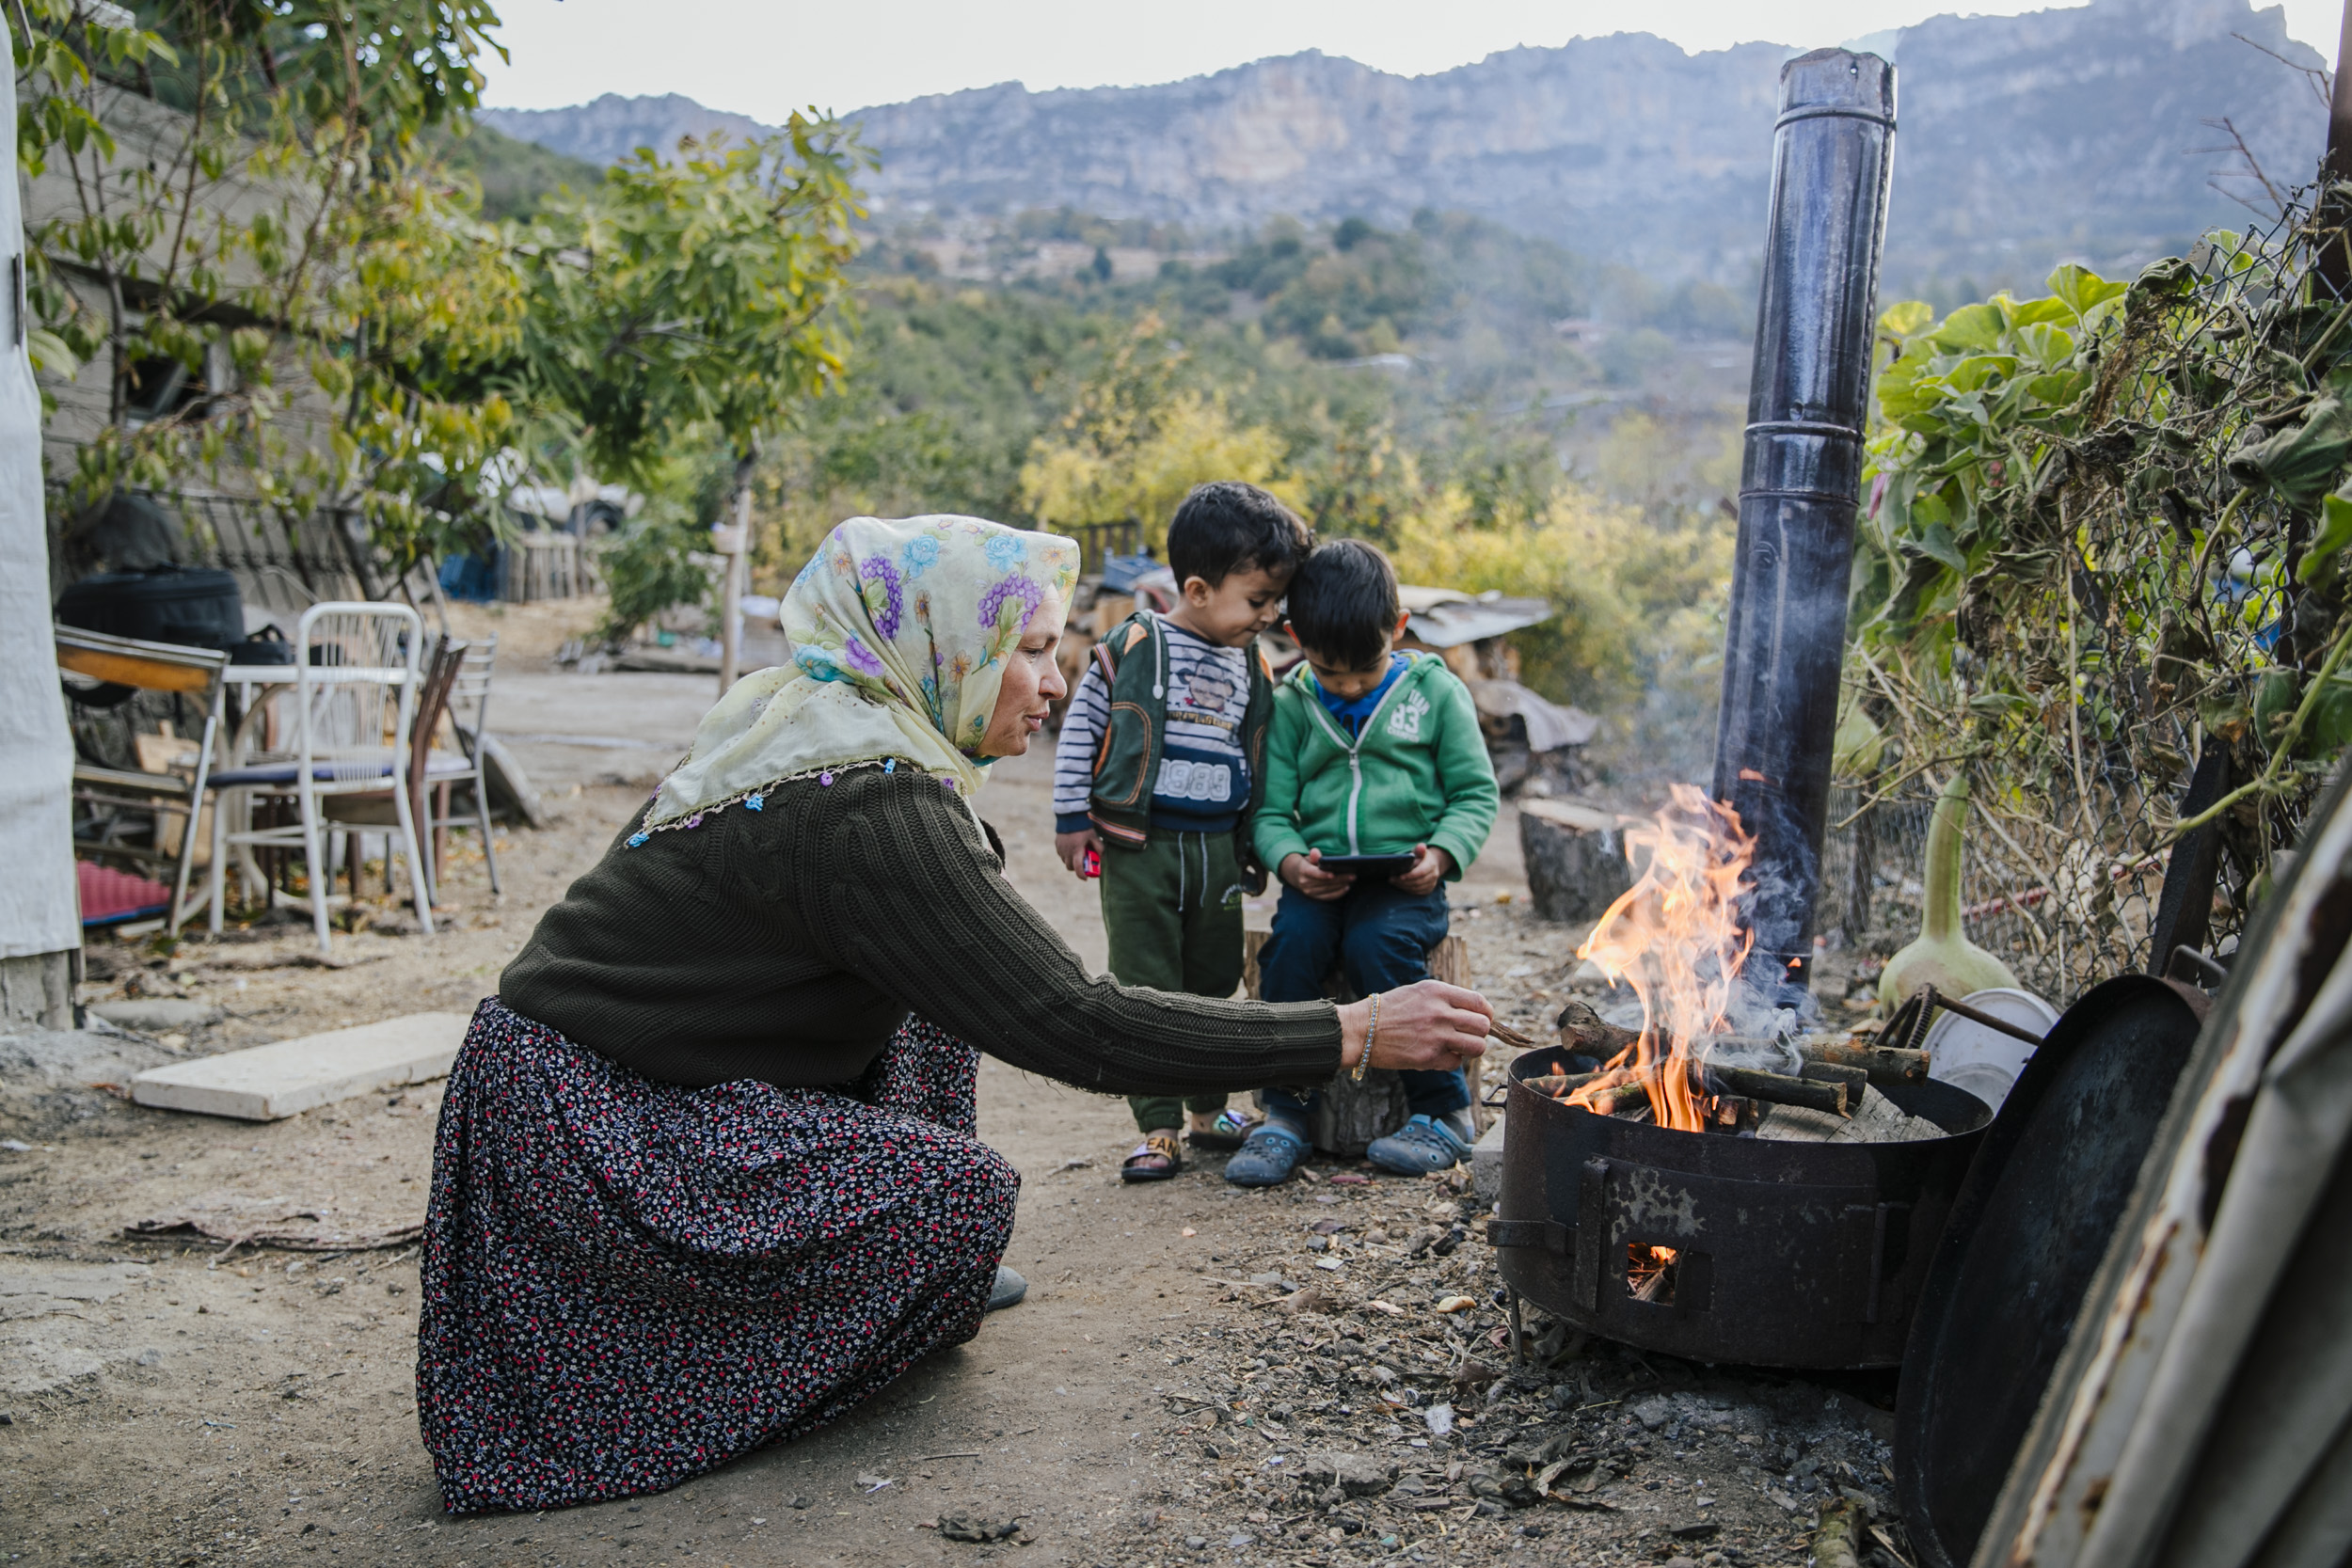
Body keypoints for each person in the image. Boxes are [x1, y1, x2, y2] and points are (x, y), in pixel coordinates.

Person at [416, 515, 1495, 1515]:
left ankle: (902, 1280)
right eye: (1027, 650)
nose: (1057, 682)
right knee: (961, 1192)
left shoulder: (824, 719)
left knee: (934, 1005)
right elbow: (1073, 1019)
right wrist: (1348, 1030)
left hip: (631, 1086)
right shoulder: (868, 799)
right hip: (585, 1142)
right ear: (941, 647)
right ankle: (835, 1298)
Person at [1051, 482, 1312, 1182]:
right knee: (1146, 984)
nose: (1268, 616)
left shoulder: (1253, 664)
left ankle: (1208, 1109)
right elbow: (1081, 729)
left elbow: (1258, 752)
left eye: (1273, 603)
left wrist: (1257, 840)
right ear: (1198, 588)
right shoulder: (1133, 643)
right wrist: (1073, 815)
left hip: (1215, 851)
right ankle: (1158, 1123)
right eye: (1257, 600)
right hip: (1141, 848)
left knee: (1213, 978)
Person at [1229, 538, 1502, 1186]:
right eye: (1330, 671)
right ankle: (1286, 1112)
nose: (1348, 684)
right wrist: (1290, 862)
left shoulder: (1435, 694)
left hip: (1405, 883)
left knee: (1379, 946)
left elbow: (1474, 792)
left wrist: (1441, 854)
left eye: (1365, 669)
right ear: (1296, 638)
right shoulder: (1293, 703)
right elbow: (1269, 812)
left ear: (1399, 629)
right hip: (1320, 881)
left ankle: (1443, 1112)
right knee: (1291, 946)